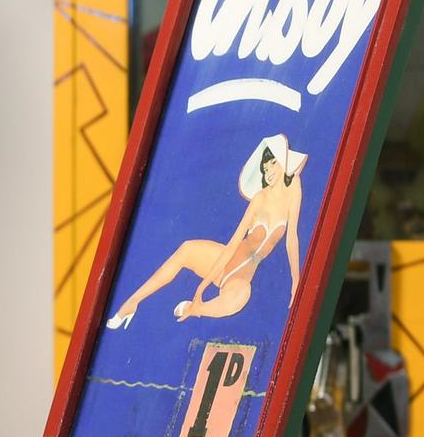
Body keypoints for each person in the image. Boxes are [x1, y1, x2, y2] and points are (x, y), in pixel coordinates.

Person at [103, 132, 306, 329]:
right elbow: (234, 243)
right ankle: (133, 302)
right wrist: (203, 287)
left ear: (282, 162)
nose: (268, 171)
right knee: (186, 249)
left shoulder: (294, 187)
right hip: (225, 261)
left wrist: (296, 279)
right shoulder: (259, 198)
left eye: (272, 164)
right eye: (265, 167)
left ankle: (195, 309)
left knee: (240, 298)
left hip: (240, 280)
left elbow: (292, 238)